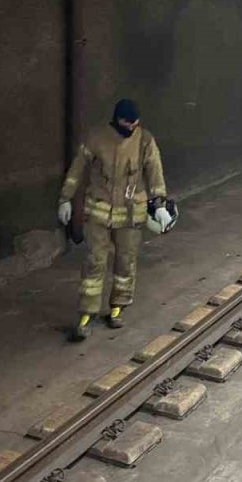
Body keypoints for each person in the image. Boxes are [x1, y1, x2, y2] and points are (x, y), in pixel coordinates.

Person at [58, 99, 174, 341]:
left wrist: (159, 205)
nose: (131, 127)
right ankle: (87, 313)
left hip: (131, 215)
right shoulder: (96, 138)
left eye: (135, 123)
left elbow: (155, 174)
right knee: (94, 261)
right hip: (98, 212)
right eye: (127, 122)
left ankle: (117, 307)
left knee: (125, 262)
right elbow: (77, 169)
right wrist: (65, 198)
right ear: (117, 119)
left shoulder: (145, 141)